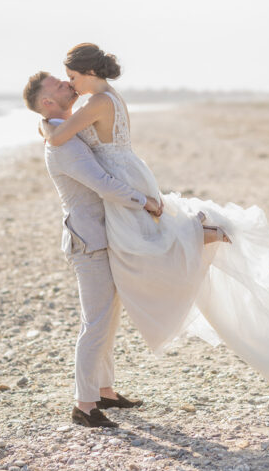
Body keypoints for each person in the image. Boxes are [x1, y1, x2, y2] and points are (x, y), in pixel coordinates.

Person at [41, 43, 269, 393]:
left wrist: (44, 125)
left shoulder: (95, 102)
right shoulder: (111, 96)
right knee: (142, 238)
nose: (71, 84)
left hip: (121, 177)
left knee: (138, 248)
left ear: (89, 72)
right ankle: (196, 231)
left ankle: (196, 232)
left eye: (73, 77)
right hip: (131, 170)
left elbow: (59, 136)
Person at [23, 72, 164, 428]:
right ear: (47, 103)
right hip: (87, 241)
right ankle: (84, 406)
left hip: (100, 236)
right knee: (96, 322)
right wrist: (143, 201)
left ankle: (104, 390)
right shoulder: (63, 145)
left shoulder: (65, 130)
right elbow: (102, 184)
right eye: (59, 85)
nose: (67, 85)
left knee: (108, 317)